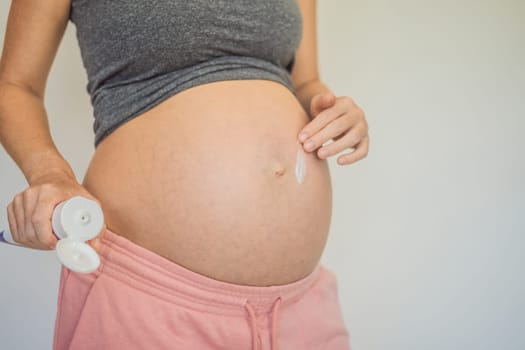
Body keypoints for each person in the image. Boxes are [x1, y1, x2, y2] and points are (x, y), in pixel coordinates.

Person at [0, 0, 369, 349]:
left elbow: (305, 82)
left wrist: (332, 109)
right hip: (150, 294)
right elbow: (15, 86)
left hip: (300, 309)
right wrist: (50, 173)